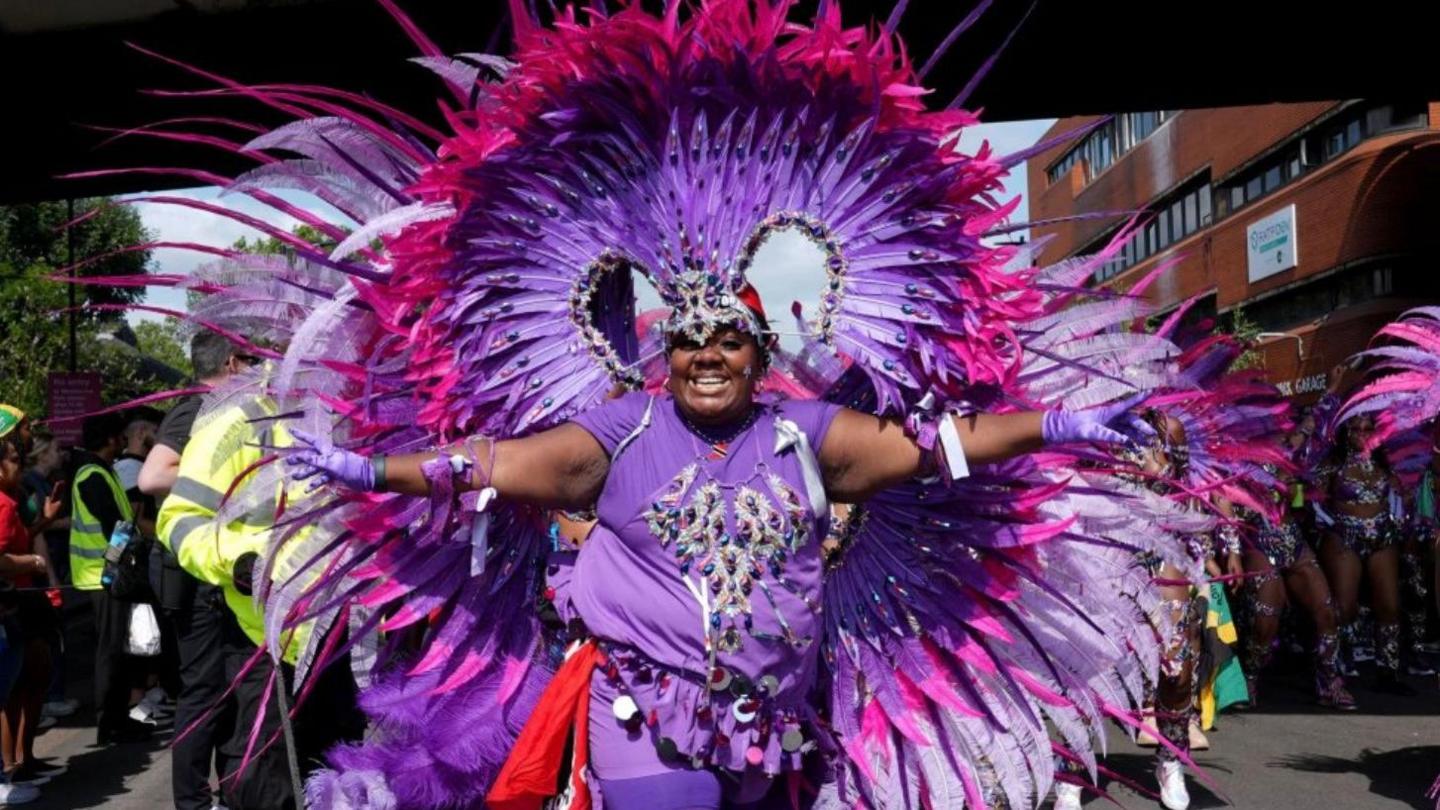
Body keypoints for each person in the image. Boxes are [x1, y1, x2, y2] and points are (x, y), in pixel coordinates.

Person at [157, 381, 363, 810]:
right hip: (263, 642)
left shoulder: (351, 412)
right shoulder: (240, 419)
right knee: (268, 786)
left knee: (337, 778)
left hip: (337, 635)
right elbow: (178, 518)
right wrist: (239, 562)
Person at [142, 331, 252, 810]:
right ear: (231, 363)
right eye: (250, 360)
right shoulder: (199, 409)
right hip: (194, 577)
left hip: (210, 574)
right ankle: (192, 801)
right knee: (203, 691)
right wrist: (220, 477)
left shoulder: (216, 411)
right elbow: (151, 476)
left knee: (224, 687)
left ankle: (228, 790)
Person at [1240, 430, 1354, 709]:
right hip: (1259, 542)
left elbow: (1301, 506)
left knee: (1326, 611)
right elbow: (1235, 508)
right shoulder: (1242, 453)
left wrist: (1295, 494)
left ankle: (1329, 681)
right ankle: (1249, 678)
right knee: (1265, 622)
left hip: (1294, 540)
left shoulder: (1293, 450)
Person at [67, 413, 153, 743]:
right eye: (118, 437)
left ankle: (118, 717)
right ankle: (108, 722)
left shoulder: (101, 471)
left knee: (119, 649)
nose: (121, 442)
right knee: (110, 652)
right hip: (102, 577)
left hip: (105, 574)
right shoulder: (92, 474)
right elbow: (114, 527)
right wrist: (120, 566)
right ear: (109, 439)